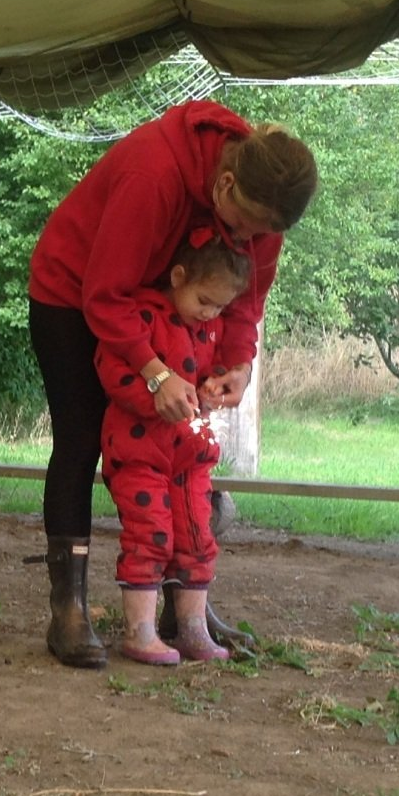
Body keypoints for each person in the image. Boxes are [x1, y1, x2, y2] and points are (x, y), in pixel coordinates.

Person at [28, 101, 318, 669]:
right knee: (82, 439)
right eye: (243, 225)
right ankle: (69, 610)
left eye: (262, 233)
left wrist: (237, 364)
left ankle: (183, 609)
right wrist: (155, 372)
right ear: (225, 183)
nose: (247, 238)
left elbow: (245, 301)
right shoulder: (154, 174)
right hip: (75, 295)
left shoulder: (264, 211)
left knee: (181, 448)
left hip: (164, 300)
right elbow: (104, 295)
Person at [94, 228, 250, 664]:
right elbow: (112, 368)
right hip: (140, 454)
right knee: (150, 536)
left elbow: (208, 372)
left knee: (197, 538)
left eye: (220, 307)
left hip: (190, 459)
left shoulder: (211, 327)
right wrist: (156, 397)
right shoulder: (142, 318)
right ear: (179, 277)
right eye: (205, 301)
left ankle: (192, 628)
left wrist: (213, 387)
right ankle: (139, 631)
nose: (211, 313)